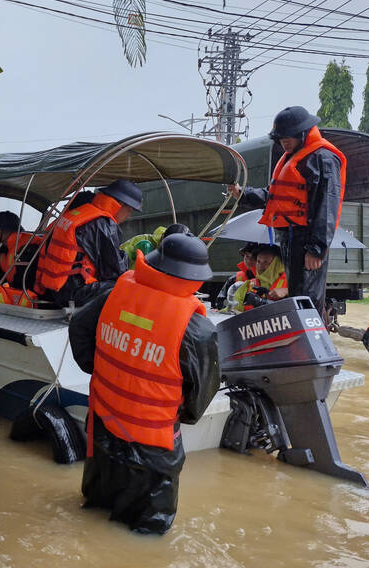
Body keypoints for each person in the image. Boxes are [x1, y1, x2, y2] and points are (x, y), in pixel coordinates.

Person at [68, 232, 220, 534]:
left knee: (95, 509)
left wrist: (100, 371)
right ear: (195, 279)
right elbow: (202, 391)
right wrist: (178, 415)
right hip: (152, 447)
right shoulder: (197, 329)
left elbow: (79, 328)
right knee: (145, 536)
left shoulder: (115, 294)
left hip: (103, 425)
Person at [228, 106, 346, 316]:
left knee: (307, 297)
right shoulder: (293, 157)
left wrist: (316, 249)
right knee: (296, 295)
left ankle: (311, 342)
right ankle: (297, 341)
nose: (283, 141)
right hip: (290, 238)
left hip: (306, 239)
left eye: (287, 137)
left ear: (302, 133)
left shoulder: (322, 158)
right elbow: (275, 196)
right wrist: (242, 193)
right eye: (280, 138)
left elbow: (327, 205)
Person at [35, 179, 143, 307]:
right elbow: (114, 271)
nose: (128, 216)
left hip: (54, 290)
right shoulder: (104, 224)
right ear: (120, 204)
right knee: (125, 283)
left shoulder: (78, 215)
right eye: (129, 211)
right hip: (74, 293)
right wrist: (125, 257)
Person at [233, 244, 288, 311]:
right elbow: (233, 308)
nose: (261, 266)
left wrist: (287, 291)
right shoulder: (249, 284)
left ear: (277, 264)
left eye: (266, 262)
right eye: (258, 261)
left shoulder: (291, 282)